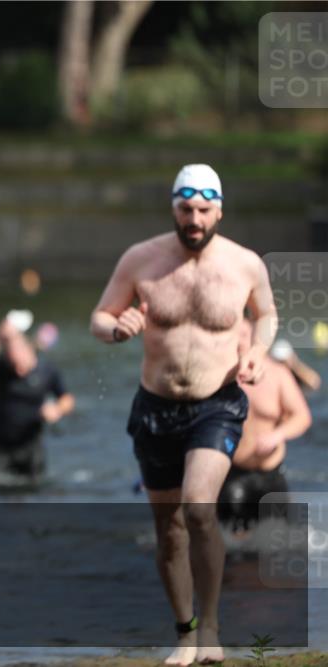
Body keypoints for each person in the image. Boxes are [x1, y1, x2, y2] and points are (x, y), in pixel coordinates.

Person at [91, 164, 277, 666]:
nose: (193, 219)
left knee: (199, 507)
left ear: (219, 210)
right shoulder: (142, 259)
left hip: (216, 403)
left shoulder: (244, 264)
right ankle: (186, 631)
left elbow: (266, 314)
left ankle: (212, 624)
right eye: (185, 209)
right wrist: (116, 328)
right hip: (155, 407)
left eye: (203, 209)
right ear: (173, 208)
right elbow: (100, 316)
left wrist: (258, 351)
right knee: (169, 528)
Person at [218, 320, 312, 532]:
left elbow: (302, 416)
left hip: (271, 472)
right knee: (232, 548)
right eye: (232, 336)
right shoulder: (218, 376)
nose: (238, 341)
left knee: (281, 543)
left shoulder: (277, 374)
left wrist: (277, 435)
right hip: (233, 473)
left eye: (243, 335)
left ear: (254, 338)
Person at [0, 314, 74, 486]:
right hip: (1, 445)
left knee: (35, 490)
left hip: (31, 446)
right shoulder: (3, 367)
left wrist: (57, 410)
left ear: (29, 350)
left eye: (19, 355)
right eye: (11, 356)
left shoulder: (47, 370)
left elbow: (67, 399)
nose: (17, 365)